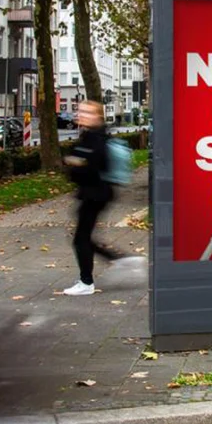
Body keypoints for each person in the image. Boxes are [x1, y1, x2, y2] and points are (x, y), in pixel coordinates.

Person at [61, 99, 143, 295]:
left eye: (87, 112)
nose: (81, 115)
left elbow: (95, 168)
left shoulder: (96, 139)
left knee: (81, 239)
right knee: (82, 237)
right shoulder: (90, 135)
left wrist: (76, 165)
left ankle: (86, 282)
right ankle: (120, 260)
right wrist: (76, 164)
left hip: (96, 194)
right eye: (80, 111)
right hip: (93, 193)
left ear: (97, 116)